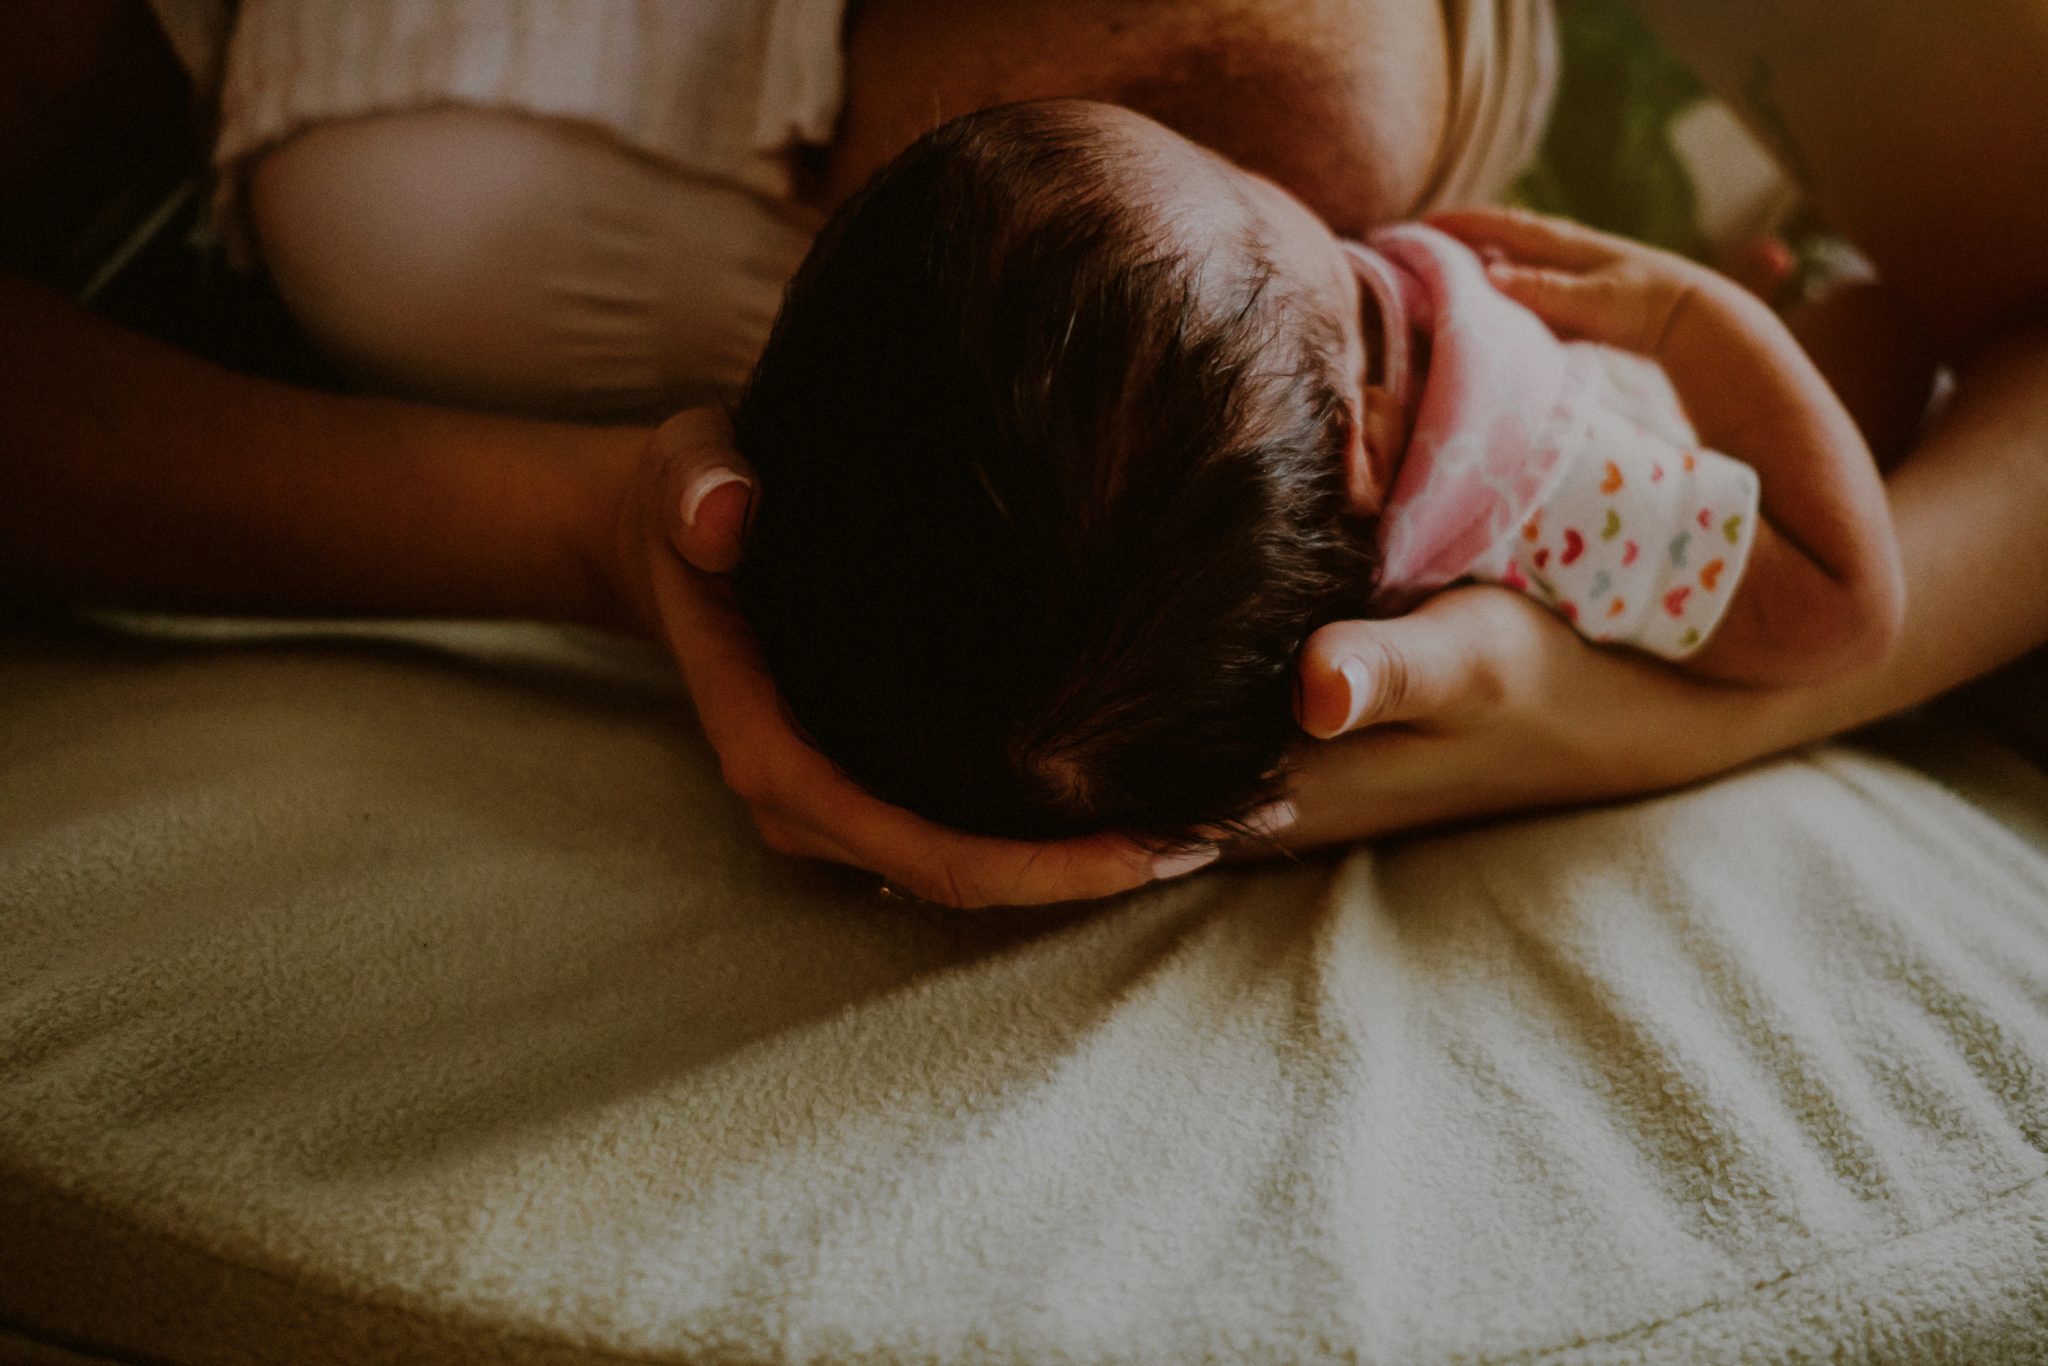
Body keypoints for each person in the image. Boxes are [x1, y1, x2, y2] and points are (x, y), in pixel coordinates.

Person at [2, 0, 2045, 905]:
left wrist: (1593, 727)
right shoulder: (1418, 479)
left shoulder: (1491, 406)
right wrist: (583, 530)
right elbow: (1818, 573)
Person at [726, 98, 1902, 846]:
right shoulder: (1529, 469)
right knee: (1876, 318)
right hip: (1769, 460)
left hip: (1658, 431)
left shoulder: (1197, 578)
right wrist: (1701, 321)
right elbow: (1841, 608)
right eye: (1233, 180)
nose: (1253, 168)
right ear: (1366, 440)